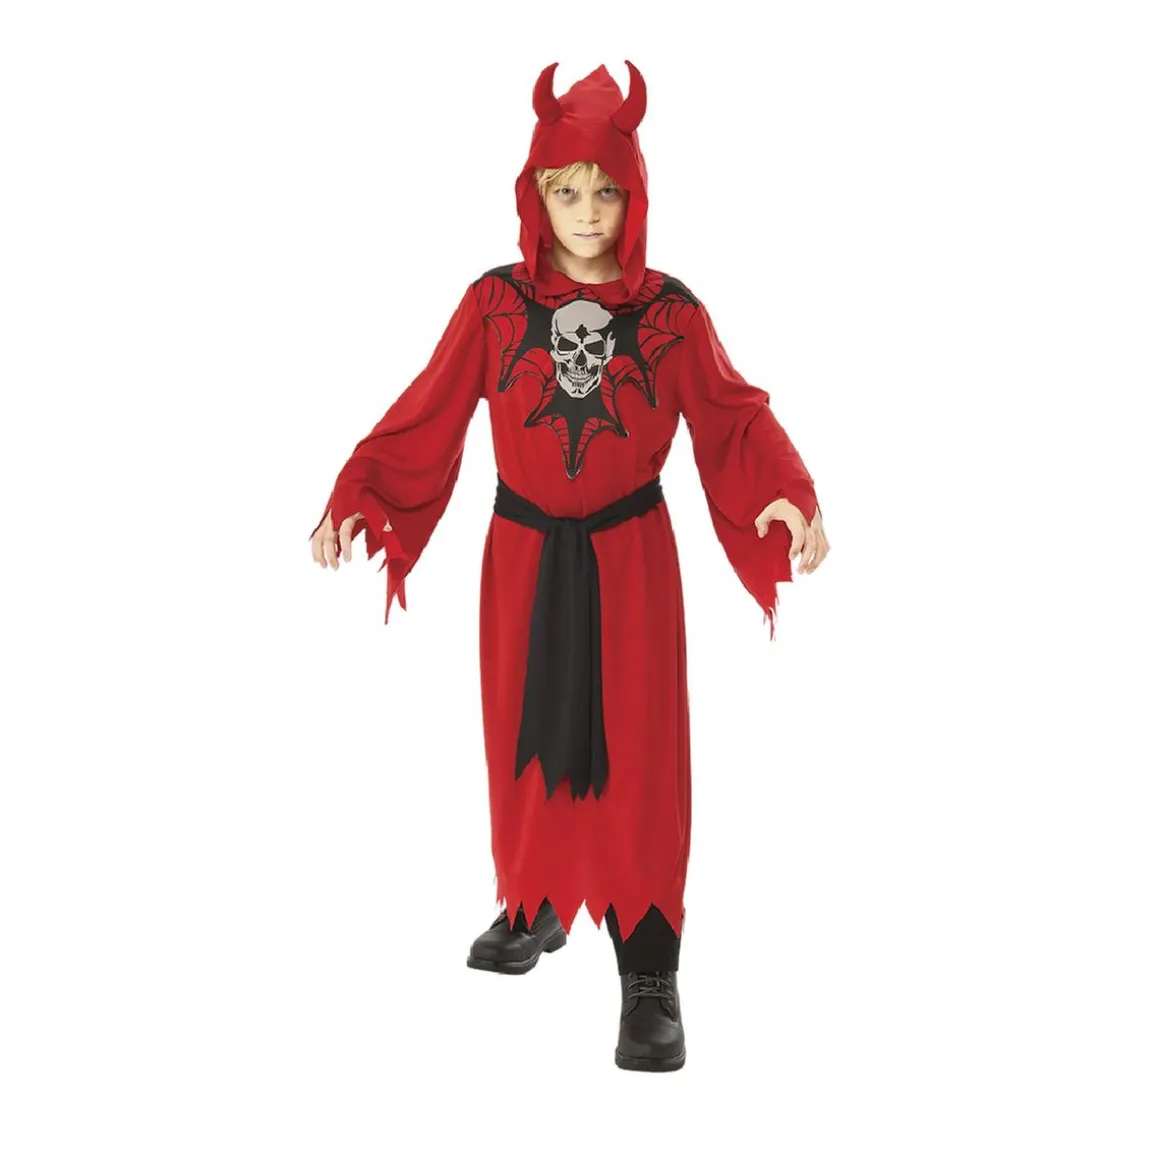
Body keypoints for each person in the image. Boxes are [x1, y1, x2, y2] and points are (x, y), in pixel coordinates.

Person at [308, 60, 830, 1073]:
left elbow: (734, 416)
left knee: (639, 754)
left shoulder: (670, 316)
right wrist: (360, 489)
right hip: (522, 556)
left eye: (606, 190)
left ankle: (648, 966)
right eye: (566, 189)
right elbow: (426, 409)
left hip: (630, 561)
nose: (587, 211)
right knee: (522, 737)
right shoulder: (495, 306)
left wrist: (786, 491)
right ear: (534, 194)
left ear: (635, 197)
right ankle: (535, 899)